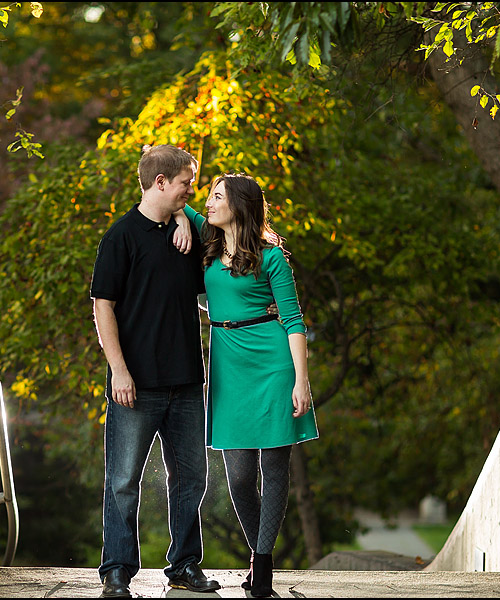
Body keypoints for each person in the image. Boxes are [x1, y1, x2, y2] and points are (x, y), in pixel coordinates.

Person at [173, 172, 319, 598]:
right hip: (228, 365)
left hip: (273, 364)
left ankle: (263, 568)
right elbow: (176, 201)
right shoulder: (209, 240)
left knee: (273, 471)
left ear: (239, 205)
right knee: (238, 477)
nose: (209, 202)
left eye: (217, 196)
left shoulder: (272, 257)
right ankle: (258, 556)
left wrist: (301, 382)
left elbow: (293, 321)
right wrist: (182, 216)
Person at [90, 145, 221, 598]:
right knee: (124, 481)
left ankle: (184, 566)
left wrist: (185, 219)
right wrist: (119, 372)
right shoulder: (121, 236)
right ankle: (117, 571)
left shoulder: (187, 233)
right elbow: (102, 306)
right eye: (186, 182)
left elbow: (226, 245)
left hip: (186, 381)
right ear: (161, 182)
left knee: (192, 478)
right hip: (136, 385)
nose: (192, 190)